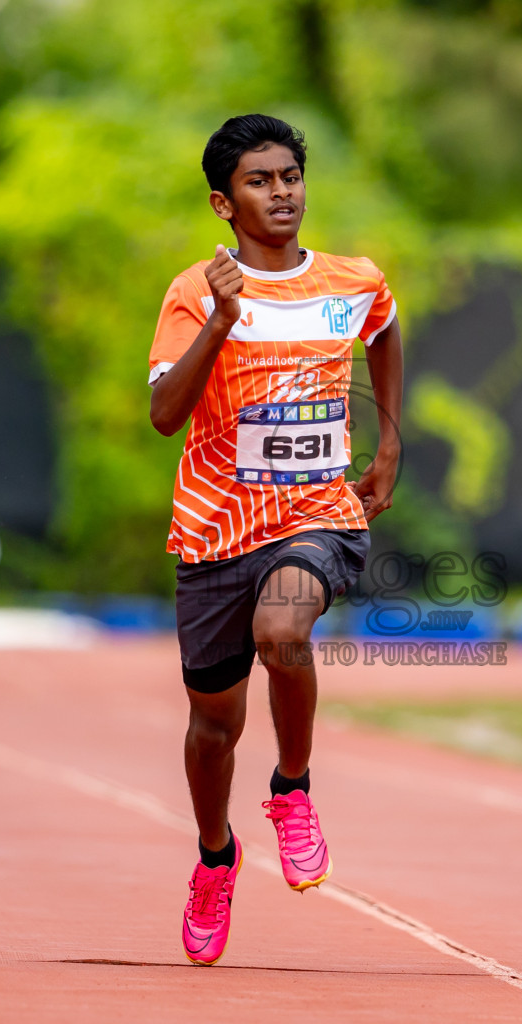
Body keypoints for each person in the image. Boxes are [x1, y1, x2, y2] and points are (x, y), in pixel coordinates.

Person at [148, 114, 403, 966]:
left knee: (283, 633)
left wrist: (391, 439)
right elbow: (162, 415)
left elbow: (385, 326)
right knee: (213, 723)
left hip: (318, 514)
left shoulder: (350, 278)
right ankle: (216, 856)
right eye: (261, 181)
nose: (282, 191)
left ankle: (292, 787)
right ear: (225, 202)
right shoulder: (194, 292)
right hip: (215, 527)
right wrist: (222, 320)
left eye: (290, 175)